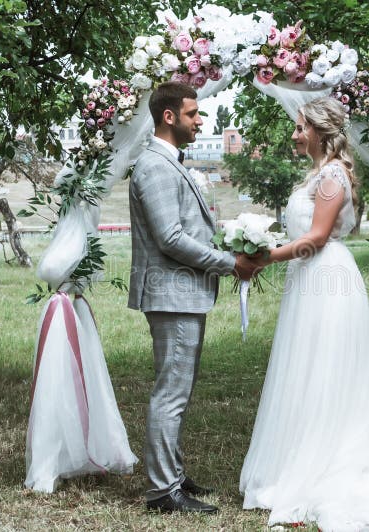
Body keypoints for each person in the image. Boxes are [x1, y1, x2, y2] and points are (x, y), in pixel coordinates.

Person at [239, 97, 369, 531]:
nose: (294, 135)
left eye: (299, 127)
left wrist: (264, 257)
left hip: (325, 279)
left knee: (327, 368)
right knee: (307, 368)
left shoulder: (331, 176)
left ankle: (329, 461)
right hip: (307, 281)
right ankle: (300, 455)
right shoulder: (319, 174)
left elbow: (316, 237)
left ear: (319, 130)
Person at [128, 82, 259, 514]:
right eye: (193, 113)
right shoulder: (154, 166)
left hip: (182, 295)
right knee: (171, 393)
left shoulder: (169, 163)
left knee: (178, 391)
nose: (200, 120)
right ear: (169, 117)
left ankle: (174, 476)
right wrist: (228, 262)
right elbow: (169, 238)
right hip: (172, 295)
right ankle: (164, 492)